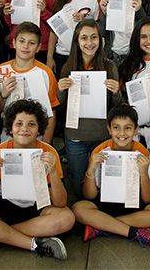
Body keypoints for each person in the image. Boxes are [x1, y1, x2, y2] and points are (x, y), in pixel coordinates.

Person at [0, 100, 75, 258]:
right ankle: (34, 244)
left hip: (37, 208)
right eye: (19, 124)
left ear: (39, 128)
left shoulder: (48, 152)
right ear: (11, 129)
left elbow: (60, 203)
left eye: (31, 124)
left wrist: (53, 172)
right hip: (4, 206)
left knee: (67, 218)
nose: (24, 129)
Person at [72, 104, 150, 248]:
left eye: (128, 128)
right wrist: (91, 169)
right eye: (116, 127)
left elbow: (149, 198)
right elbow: (89, 195)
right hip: (105, 203)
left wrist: (144, 173)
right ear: (109, 129)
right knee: (78, 209)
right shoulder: (100, 151)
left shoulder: (142, 152)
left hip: (134, 204)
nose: (122, 133)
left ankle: (101, 226)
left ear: (136, 130)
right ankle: (135, 232)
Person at [57, 19, 121, 197]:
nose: (89, 42)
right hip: (75, 136)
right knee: (79, 183)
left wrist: (116, 92)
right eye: (84, 38)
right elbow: (61, 107)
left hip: (102, 135)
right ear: (77, 41)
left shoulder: (109, 66)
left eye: (94, 37)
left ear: (100, 40)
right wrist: (60, 91)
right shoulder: (68, 67)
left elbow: (117, 108)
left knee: (102, 184)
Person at [0, 22, 59, 144]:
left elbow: (51, 114)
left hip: (37, 137)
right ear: (14, 43)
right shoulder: (1, 70)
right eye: (22, 41)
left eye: (32, 43)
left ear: (38, 47)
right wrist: (3, 94)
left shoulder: (46, 73)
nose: (26, 46)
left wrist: (45, 144)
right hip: (8, 135)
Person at [47, 0, 100, 75]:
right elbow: (53, 31)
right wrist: (49, 57)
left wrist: (84, 22)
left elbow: (99, 29)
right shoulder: (60, 0)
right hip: (62, 54)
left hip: (85, 56)